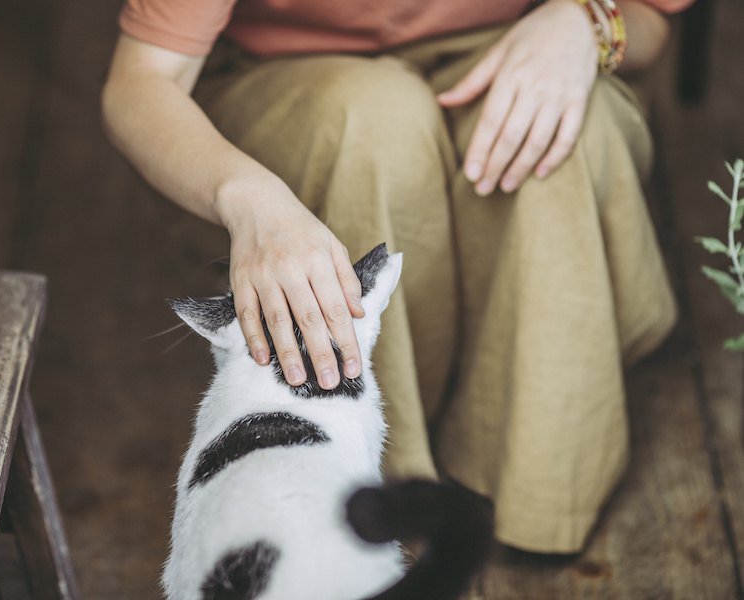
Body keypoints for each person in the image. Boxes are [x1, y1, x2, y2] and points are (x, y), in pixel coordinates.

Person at [101, 0, 693, 553]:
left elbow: (652, 20)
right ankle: (375, 493)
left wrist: (584, 21)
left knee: (567, 142)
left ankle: (533, 495)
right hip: (287, 67)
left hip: (517, 39)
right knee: (375, 126)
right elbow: (143, 79)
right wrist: (248, 198)